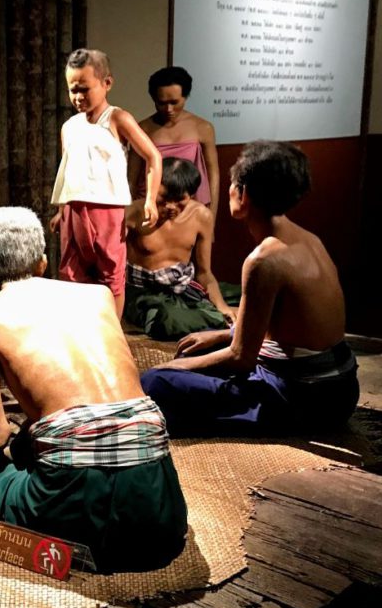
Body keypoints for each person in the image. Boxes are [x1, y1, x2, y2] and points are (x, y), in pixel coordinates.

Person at [0, 207, 187, 572]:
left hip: (73, 496)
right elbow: (84, 412)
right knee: (40, 447)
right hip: (160, 504)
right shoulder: (98, 296)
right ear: (43, 263)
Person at [141, 141, 359, 436]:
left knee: (155, 382)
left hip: (303, 400)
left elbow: (241, 359)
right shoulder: (310, 240)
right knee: (202, 348)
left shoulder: (264, 260)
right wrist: (220, 335)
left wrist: (173, 368)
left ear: (242, 195)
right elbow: (285, 327)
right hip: (342, 390)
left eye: (233, 183)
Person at [49, 48, 163, 319]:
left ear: (106, 83)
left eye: (85, 89)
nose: (78, 97)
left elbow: (153, 157)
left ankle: (112, 334)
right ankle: (80, 331)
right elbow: (71, 172)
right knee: (71, 273)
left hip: (107, 212)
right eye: (73, 90)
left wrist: (150, 200)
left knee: (110, 272)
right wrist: (61, 210)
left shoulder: (117, 119)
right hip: (74, 212)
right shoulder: (69, 127)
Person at [124, 157, 239, 339]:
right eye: (163, 199)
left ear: (191, 195)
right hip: (142, 293)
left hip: (181, 286)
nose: (170, 207)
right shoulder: (132, 213)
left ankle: (214, 315)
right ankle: (211, 318)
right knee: (169, 320)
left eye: (179, 201)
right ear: (152, 189)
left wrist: (222, 306)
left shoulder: (202, 216)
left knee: (246, 295)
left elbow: (204, 273)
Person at [131, 66, 220, 218]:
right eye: (161, 103)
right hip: (151, 206)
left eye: (174, 102)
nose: (169, 109)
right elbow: (131, 178)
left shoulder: (202, 127)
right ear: (154, 99)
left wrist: (210, 217)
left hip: (187, 207)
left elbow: (213, 175)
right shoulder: (142, 128)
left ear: (185, 97)